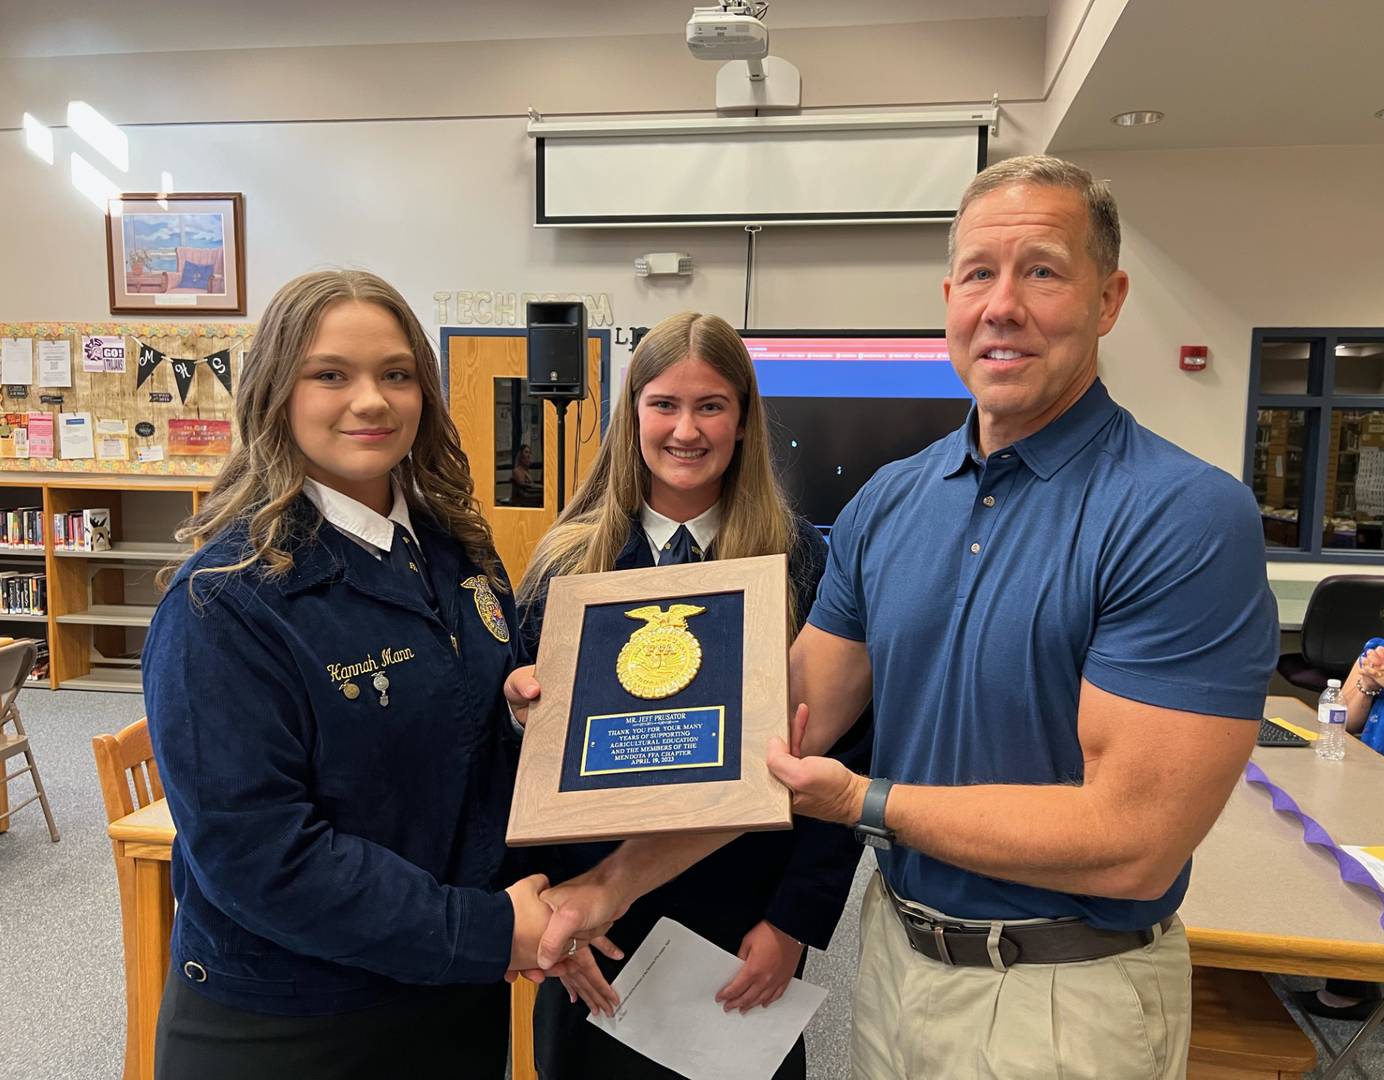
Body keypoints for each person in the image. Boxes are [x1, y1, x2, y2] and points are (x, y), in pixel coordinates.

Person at [529, 156, 1279, 1078]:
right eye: (977, 273)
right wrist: (605, 884)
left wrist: (861, 802)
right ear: (950, 298)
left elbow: (1132, 844)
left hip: (1064, 993)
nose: (1002, 305)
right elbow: (767, 741)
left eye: (1041, 269)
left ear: (1109, 297)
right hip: (894, 965)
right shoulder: (890, 504)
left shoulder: (1182, 515)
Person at [143, 270, 563, 1079]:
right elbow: (261, 857)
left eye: (396, 374)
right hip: (297, 1024)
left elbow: (464, 746)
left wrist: (513, 719)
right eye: (330, 374)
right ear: (275, 392)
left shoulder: (457, 554)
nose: (370, 400)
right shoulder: (224, 604)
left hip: (448, 1000)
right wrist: (485, 932)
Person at [510, 311, 870, 1080]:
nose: (686, 429)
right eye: (664, 404)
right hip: (595, 927)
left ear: (743, 421)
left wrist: (791, 923)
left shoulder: (800, 560)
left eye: (710, 406)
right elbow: (516, 764)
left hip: (744, 919)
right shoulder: (567, 564)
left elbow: (844, 749)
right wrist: (547, 916)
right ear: (632, 412)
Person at [1297, 558, 1384, 1020]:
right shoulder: (1383, 648)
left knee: (1350, 851)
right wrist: (1366, 678)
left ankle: (1352, 985)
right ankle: (1321, 949)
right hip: (1366, 779)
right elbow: (1349, 720)